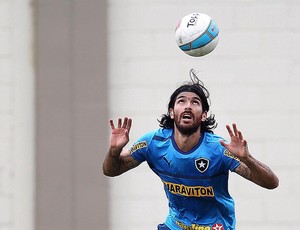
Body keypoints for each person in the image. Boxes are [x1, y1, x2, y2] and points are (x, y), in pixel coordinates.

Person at [102, 70, 279, 230]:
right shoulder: (153, 143)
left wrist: (247, 158)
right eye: (181, 101)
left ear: (204, 115)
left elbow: (271, 183)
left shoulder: (218, 149)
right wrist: (114, 151)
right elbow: (111, 170)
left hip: (215, 227)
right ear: (172, 112)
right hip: (175, 225)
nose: (187, 106)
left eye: (195, 102)